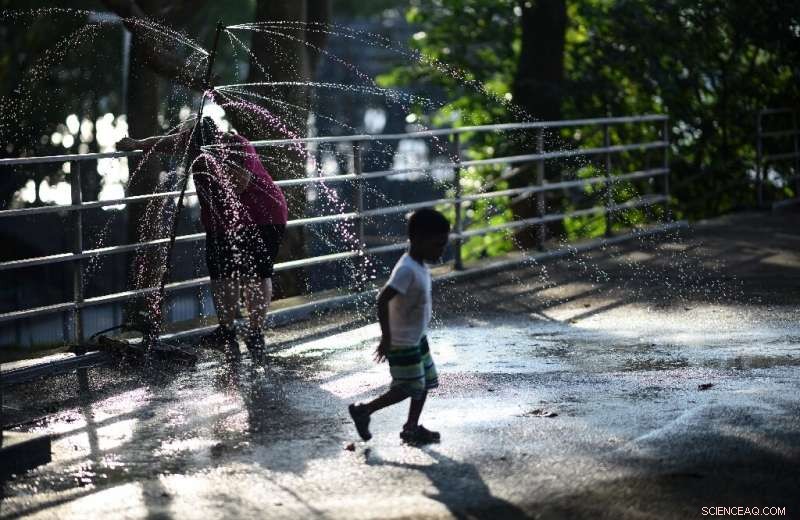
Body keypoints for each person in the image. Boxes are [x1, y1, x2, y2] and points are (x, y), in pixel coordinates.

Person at [116, 116, 288, 359]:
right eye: (192, 146)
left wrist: (214, 161)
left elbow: (241, 183)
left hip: (264, 215)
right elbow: (165, 142)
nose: (194, 151)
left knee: (257, 273)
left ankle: (255, 333)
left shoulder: (238, 145)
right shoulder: (192, 143)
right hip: (223, 222)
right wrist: (137, 143)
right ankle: (227, 330)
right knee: (221, 274)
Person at [348, 208, 450, 445]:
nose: (442, 250)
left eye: (444, 244)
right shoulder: (407, 269)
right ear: (418, 239)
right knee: (409, 387)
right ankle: (364, 410)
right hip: (402, 341)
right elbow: (383, 299)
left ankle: (411, 427)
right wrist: (386, 338)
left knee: (425, 381)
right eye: (438, 245)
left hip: (417, 338)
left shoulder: (419, 265)